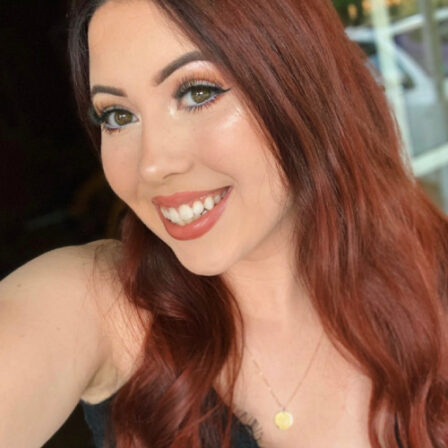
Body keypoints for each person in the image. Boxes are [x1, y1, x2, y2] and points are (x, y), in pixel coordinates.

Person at [1, 0, 447, 446]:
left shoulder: (434, 273)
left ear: (302, 83)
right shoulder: (96, 302)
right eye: (118, 116)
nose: (153, 165)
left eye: (197, 92)